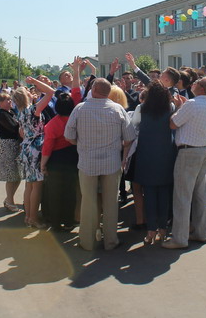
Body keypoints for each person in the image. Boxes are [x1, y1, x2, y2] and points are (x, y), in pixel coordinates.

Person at [64, 78, 135, 251]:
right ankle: (111, 241)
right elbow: (129, 137)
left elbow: (69, 135)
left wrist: (80, 143)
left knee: (88, 201)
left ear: (94, 89)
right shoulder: (118, 109)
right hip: (111, 162)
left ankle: (87, 242)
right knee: (111, 202)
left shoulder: (80, 109)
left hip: (87, 162)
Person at [162, 77, 206, 250]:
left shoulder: (192, 104)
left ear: (201, 88)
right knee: (200, 194)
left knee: (182, 196)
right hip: (203, 150)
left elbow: (173, 124)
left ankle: (179, 238)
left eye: (196, 83)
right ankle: (201, 232)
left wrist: (179, 107)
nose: (192, 84)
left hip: (188, 151)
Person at [132, 82, 176, 245]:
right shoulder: (170, 107)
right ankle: (163, 229)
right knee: (164, 193)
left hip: (146, 154)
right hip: (166, 153)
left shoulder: (141, 108)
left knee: (149, 194)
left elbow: (133, 127)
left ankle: (151, 230)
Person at [13, 77, 54, 229]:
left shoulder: (21, 112)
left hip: (26, 148)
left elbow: (22, 133)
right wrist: (36, 81)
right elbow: (51, 93)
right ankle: (34, 218)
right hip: (36, 148)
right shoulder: (33, 110)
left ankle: (28, 216)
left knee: (29, 185)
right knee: (37, 185)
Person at [40, 92, 79, 231]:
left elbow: (47, 146)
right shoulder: (76, 120)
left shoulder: (52, 124)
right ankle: (69, 221)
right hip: (73, 157)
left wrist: (43, 164)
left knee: (54, 193)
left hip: (56, 160)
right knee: (70, 191)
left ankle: (55, 223)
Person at [0, 93, 22, 212]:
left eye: (10, 99)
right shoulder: (1, 114)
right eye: (7, 100)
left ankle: (9, 199)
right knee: (11, 175)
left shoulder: (11, 112)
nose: (10, 102)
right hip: (8, 145)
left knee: (17, 175)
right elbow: (13, 127)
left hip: (15, 144)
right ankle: (10, 201)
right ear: (0, 103)